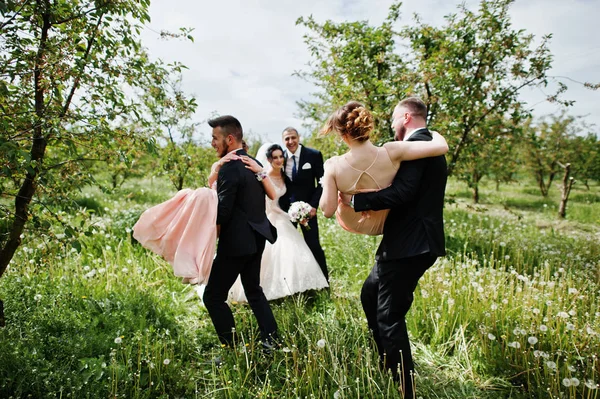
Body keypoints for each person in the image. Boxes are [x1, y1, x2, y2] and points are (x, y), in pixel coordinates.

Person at [339, 98, 448, 398]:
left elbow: (403, 191)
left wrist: (357, 202)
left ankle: (405, 388)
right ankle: (388, 361)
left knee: (389, 316)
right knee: (369, 293)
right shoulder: (430, 142)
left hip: (409, 245)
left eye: (393, 118)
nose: (390, 124)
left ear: (406, 117)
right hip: (411, 242)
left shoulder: (419, 144)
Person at [202, 115, 279, 348]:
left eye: (215, 138)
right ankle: (271, 341)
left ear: (230, 138)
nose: (212, 143)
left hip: (236, 243)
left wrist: (198, 222)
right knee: (254, 291)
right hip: (257, 238)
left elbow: (223, 211)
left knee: (213, 297)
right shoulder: (251, 162)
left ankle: (231, 347)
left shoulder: (230, 168)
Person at [319, 101, 448, 236]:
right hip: (391, 223)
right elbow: (442, 147)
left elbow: (327, 211)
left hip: (359, 224)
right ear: (366, 126)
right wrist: (434, 133)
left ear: (342, 135)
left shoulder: (333, 166)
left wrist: (328, 179)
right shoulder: (392, 151)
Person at [229, 143, 329, 302]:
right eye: (274, 157)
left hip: (282, 216)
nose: (278, 160)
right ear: (268, 159)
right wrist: (290, 216)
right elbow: (269, 205)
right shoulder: (264, 176)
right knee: (277, 251)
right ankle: (268, 289)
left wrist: (296, 211)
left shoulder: (283, 176)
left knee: (294, 251)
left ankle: (296, 288)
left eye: (280, 156)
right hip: (271, 217)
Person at [278, 127, 329, 281]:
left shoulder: (313, 155)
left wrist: (313, 206)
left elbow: (322, 183)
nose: (290, 141)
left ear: (298, 137)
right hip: (286, 212)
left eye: (293, 137)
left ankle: (324, 282)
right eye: (287, 139)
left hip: (308, 210)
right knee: (287, 247)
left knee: (313, 245)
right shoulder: (280, 158)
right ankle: (292, 281)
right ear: (283, 141)